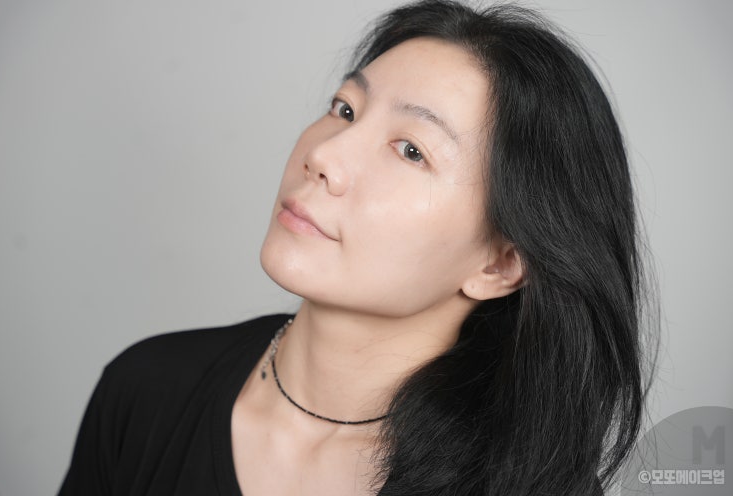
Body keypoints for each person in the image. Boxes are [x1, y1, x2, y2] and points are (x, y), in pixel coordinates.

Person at [58, 0, 655, 494]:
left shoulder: (531, 485)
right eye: (346, 109)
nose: (324, 155)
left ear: (499, 264)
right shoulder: (148, 391)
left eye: (411, 150)